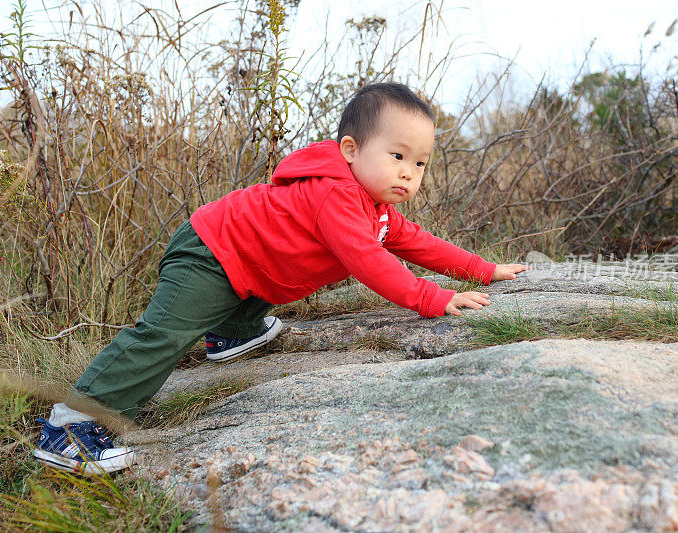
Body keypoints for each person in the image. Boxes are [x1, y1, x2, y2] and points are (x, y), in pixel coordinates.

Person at [32, 82, 528, 476]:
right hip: (209, 251)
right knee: (162, 335)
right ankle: (71, 429)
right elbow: (368, 261)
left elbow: (418, 242)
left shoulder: (375, 207)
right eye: (397, 157)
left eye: (420, 164)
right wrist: (431, 298)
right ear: (351, 150)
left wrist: (483, 270)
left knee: (265, 279)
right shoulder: (336, 194)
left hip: (243, 265)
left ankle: (233, 331)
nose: (408, 174)